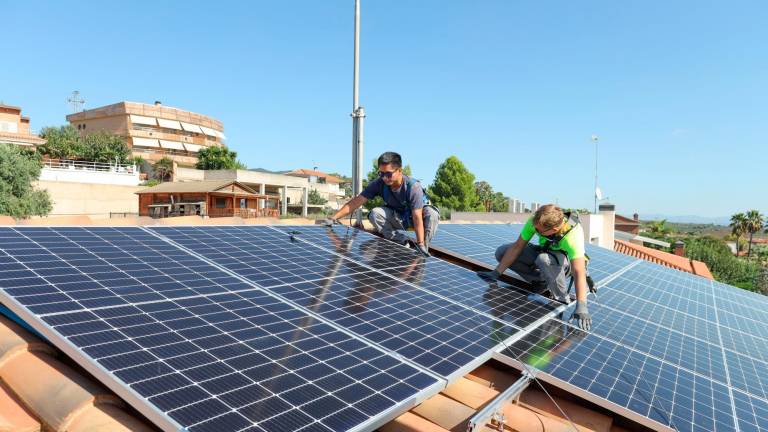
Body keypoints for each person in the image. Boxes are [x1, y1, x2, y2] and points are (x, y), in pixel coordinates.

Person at [477, 204, 593, 331]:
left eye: (539, 231)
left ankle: (560, 300)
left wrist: (582, 306)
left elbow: (578, 271)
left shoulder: (573, 236)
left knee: (544, 260)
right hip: (544, 252)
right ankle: (542, 281)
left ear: (554, 230)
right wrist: (496, 273)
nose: (535, 230)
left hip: (565, 263)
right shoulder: (536, 221)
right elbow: (517, 247)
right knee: (502, 252)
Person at [325, 151, 438, 257]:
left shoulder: (413, 187)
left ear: (399, 170)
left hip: (418, 219)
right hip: (398, 218)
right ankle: (402, 242)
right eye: (381, 173)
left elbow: (417, 216)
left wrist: (420, 243)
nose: (384, 178)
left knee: (431, 213)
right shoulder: (379, 183)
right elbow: (356, 201)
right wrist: (333, 218)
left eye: (388, 174)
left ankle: (422, 248)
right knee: (375, 213)